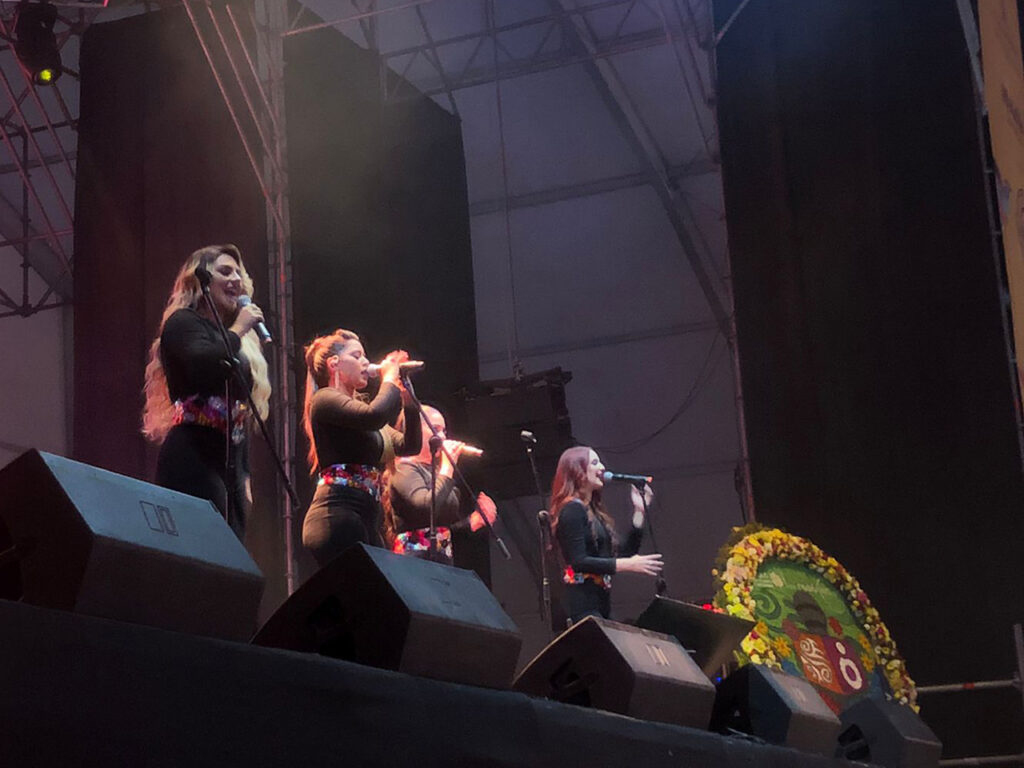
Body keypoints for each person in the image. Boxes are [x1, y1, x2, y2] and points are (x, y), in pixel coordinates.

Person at [142, 244, 271, 541]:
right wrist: (239, 329)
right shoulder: (182, 323)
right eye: (225, 271)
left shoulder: (232, 338)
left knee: (234, 558)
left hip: (230, 463)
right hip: (193, 456)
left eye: (239, 273)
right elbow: (204, 363)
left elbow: (239, 408)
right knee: (204, 548)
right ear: (200, 281)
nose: (236, 279)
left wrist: (246, 473)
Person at [301, 329, 422, 567]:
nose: (366, 362)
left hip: (365, 518)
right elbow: (373, 415)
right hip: (336, 516)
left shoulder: (362, 415)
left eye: (365, 356)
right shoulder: (324, 400)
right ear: (334, 363)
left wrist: (409, 403)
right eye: (357, 356)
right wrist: (388, 379)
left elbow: (410, 446)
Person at [549, 445, 663, 624]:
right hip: (583, 605)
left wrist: (639, 512)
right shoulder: (572, 509)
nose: (602, 467)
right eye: (595, 462)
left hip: (600, 604)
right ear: (578, 470)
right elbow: (578, 561)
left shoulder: (593, 512)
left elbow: (622, 554)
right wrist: (625, 565)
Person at [382, 405, 497, 565]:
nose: (442, 436)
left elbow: (438, 526)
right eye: (435, 429)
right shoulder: (403, 468)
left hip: (442, 560)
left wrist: (471, 522)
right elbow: (427, 507)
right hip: (412, 562)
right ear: (415, 431)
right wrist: (448, 467)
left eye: (444, 430)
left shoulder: (437, 472)